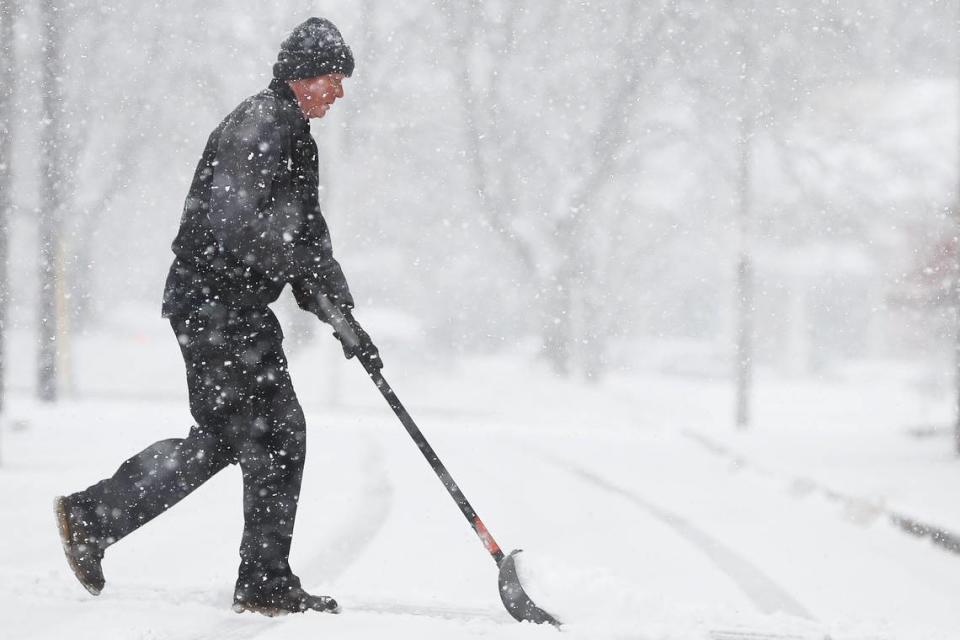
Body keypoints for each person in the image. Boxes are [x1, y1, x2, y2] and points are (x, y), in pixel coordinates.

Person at [53, 17, 380, 617]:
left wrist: (341, 312)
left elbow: (306, 235)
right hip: (215, 305)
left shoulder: (293, 133)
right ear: (302, 75)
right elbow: (240, 228)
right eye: (333, 79)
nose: (339, 92)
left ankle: (93, 517)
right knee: (277, 436)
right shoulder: (259, 126)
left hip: (227, 307)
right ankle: (260, 580)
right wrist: (307, 281)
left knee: (235, 438)